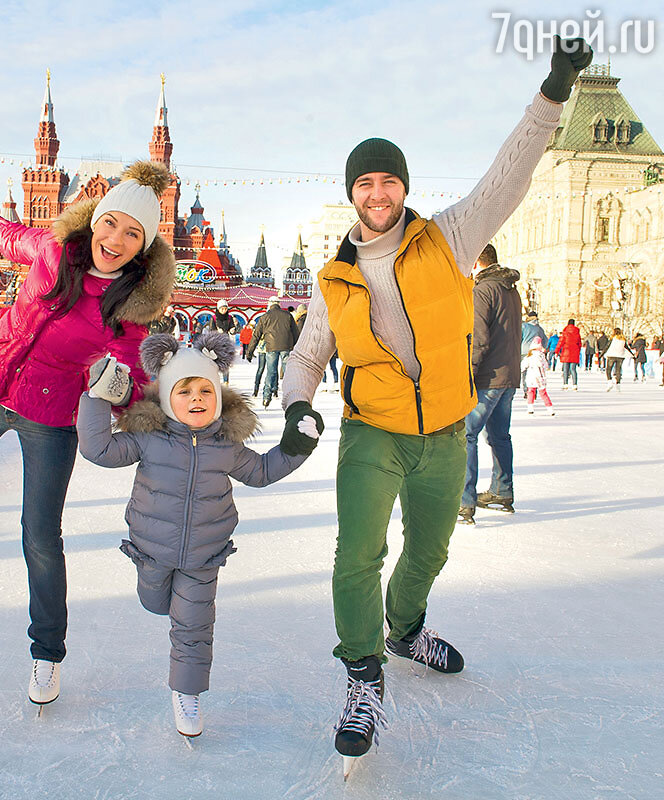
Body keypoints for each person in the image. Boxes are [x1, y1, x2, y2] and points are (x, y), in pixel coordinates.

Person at [279, 35, 592, 768]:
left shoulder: (449, 236)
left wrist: (553, 92)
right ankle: (363, 674)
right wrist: (296, 404)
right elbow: (304, 356)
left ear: (402, 189)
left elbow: (508, 176)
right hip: (372, 434)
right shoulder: (334, 277)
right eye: (365, 184)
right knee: (356, 553)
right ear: (352, 193)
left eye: (389, 182)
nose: (377, 194)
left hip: (445, 432)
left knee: (431, 549)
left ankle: (405, 627)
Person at [0, 161, 177, 707]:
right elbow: (5, 235)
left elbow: (134, 378)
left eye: (132, 234)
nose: (115, 239)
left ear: (142, 247)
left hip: (51, 419)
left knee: (40, 535)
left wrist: (131, 399)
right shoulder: (53, 250)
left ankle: (46, 654)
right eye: (111, 223)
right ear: (95, 219)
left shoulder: (129, 311)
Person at [76, 332, 318, 737]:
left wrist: (297, 446)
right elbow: (98, 450)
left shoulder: (225, 444)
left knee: (193, 626)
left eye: (206, 389)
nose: (196, 398)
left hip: (205, 555)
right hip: (151, 550)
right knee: (155, 601)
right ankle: (155, 594)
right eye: (184, 390)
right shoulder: (148, 437)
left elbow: (260, 472)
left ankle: (187, 693)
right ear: (167, 397)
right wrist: (98, 399)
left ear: (218, 396)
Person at [458, 244, 522, 524]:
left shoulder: (482, 290)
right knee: (499, 436)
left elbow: (479, 338)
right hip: (508, 374)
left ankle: (464, 501)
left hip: (488, 376)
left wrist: (468, 372)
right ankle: (501, 490)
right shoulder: (510, 288)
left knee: (466, 435)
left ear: (476, 262)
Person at [245, 296, 299, 407]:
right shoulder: (287, 315)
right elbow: (296, 333)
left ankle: (266, 397)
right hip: (286, 347)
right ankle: (290, 397)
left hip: (271, 347)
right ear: (279, 304)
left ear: (269, 304)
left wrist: (249, 352)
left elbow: (256, 335)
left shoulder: (265, 317)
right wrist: (296, 347)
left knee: (271, 371)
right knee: (287, 372)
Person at [521, 337, 555, 416]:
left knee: (530, 392)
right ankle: (550, 409)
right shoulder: (542, 356)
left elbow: (523, 366)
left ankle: (530, 408)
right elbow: (546, 366)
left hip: (531, 377)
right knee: (543, 393)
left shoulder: (529, 356)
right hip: (540, 377)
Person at [209, 299, 239, 383]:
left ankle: (226, 380)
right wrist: (216, 332)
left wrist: (233, 330)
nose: (224, 310)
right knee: (215, 361)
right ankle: (214, 379)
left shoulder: (229, 317)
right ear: (218, 309)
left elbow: (232, 328)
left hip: (225, 341)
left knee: (225, 362)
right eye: (222, 309)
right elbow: (211, 330)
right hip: (215, 342)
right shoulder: (214, 318)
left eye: (225, 308)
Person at [520, 311, 547, 396]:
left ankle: (526, 390)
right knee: (535, 372)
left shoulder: (524, 326)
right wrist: (542, 348)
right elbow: (545, 340)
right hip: (535, 352)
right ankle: (533, 391)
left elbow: (519, 338)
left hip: (524, 351)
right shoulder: (539, 329)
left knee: (524, 371)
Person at [555, 318, 582, 389]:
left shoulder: (565, 332)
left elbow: (560, 342)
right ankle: (575, 384)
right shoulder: (577, 333)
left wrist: (557, 351)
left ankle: (565, 384)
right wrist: (578, 351)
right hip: (574, 352)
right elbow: (579, 344)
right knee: (573, 369)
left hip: (566, 352)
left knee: (565, 369)